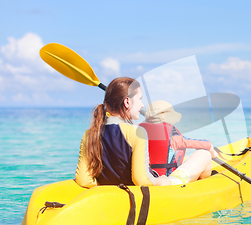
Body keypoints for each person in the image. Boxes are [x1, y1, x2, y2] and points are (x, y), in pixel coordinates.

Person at [75, 77, 203, 187]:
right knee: (203, 155)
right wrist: (161, 181)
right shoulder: (136, 132)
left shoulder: (90, 133)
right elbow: (141, 180)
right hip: (143, 193)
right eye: (140, 99)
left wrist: (103, 188)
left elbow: (83, 180)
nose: (142, 105)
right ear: (127, 102)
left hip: (111, 195)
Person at [140, 100, 218, 185]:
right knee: (204, 154)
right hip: (168, 182)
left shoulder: (139, 133)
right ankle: (202, 183)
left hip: (147, 178)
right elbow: (207, 145)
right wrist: (213, 154)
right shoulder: (174, 138)